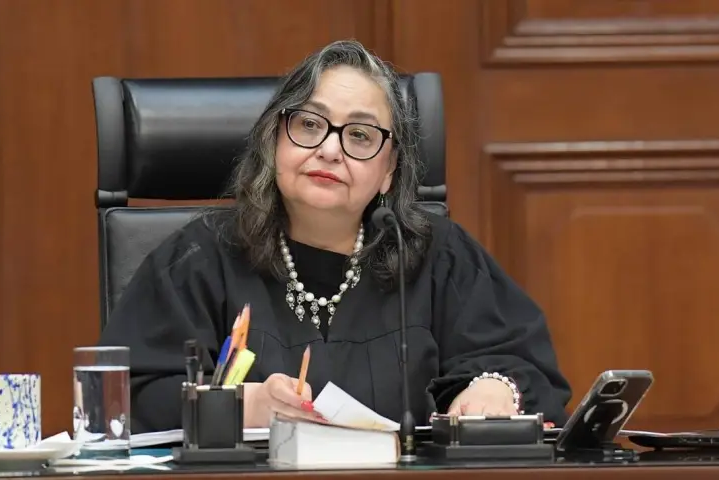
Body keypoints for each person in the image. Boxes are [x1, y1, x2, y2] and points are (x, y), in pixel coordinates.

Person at [98, 39, 571, 434]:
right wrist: (243, 406)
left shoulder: (439, 254)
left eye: (360, 135)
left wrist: (493, 389)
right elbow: (126, 396)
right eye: (309, 124)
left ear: (389, 170)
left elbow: (523, 367)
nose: (329, 149)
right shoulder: (198, 259)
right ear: (274, 139)